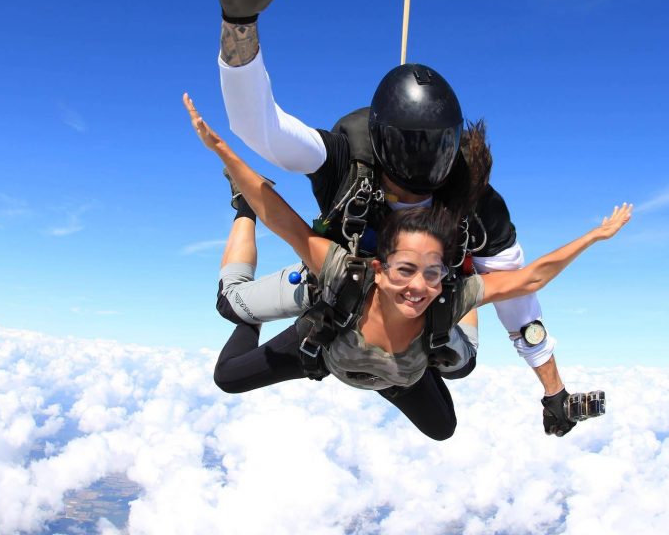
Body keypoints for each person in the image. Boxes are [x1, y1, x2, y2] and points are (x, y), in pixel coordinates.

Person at [210, 0, 591, 436]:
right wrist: (240, 24)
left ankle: (388, 360)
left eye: (436, 152)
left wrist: (554, 389)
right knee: (230, 322)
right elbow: (260, 127)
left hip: (414, 317)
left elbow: (521, 297)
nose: (423, 169)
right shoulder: (346, 156)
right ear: (382, 141)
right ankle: (246, 218)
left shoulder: (477, 204)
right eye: (411, 151)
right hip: (333, 294)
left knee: (452, 387)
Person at [182, 93, 633, 440]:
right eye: (405, 271)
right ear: (378, 267)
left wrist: (593, 237)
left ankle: (393, 370)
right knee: (228, 367)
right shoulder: (344, 273)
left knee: (445, 421)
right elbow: (280, 217)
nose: (418, 287)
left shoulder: (448, 295)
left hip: (399, 369)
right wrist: (224, 152)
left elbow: (530, 279)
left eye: (432, 273)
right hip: (326, 341)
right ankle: (249, 307)